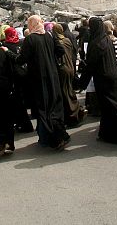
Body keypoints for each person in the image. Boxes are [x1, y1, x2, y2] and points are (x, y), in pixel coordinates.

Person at [77, 17, 117, 144]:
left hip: (103, 78)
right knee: (110, 107)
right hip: (114, 76)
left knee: (111, 107)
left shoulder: (95, 44)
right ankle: (105, 133)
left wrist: (81, 83)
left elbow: (91, 65)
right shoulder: (107, 40)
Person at [17, 15, 70, 150]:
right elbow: (61, 50)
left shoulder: (30, 39)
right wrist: (51, 59)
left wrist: (11, 56)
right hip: (53, 75)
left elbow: (21, 59)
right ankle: (47, 137)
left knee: (44, 108)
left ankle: (56, 138)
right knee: (55, 105)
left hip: (39, 78)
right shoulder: (49, 36)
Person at [52, 24, 85, 128]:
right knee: (69, 90)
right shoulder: (67, 40)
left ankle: (73, 115)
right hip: (70, 67)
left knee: (65, 92)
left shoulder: (57, 42)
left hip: (63, 69)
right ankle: (77, 111)